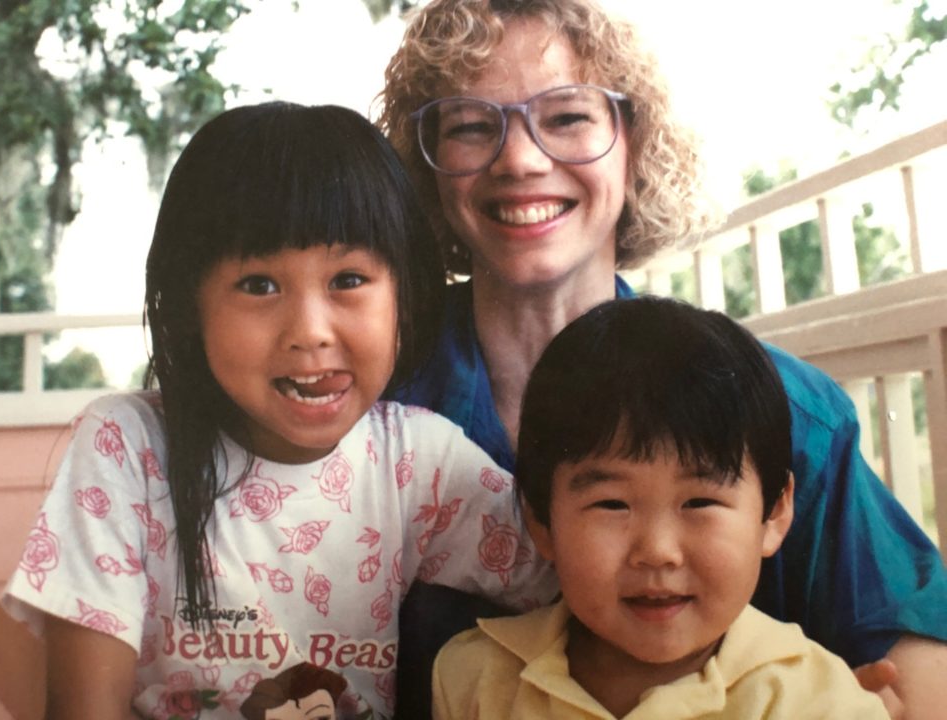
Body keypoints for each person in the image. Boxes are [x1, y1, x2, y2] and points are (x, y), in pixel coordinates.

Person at [377, 0, 947, 717]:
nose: (520, 159)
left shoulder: (787, 408)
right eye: (469, 126)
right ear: (426, 167)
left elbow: (910, 655)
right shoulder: (365, 400)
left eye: (568, 118)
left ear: (634, 141)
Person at [0, 102, 557, 719]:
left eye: (348, 279)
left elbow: (578, 575)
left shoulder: (414, 462)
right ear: (189, 307)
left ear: (405, 294)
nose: (310, 332)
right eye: (260, 285)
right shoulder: (128, 448)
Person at [432, 297, 890, 719]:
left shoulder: (816, 701)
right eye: (611, 504)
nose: (657, 551)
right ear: (540, 521)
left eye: (700, 501)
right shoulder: (476, 677)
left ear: (773, 513)